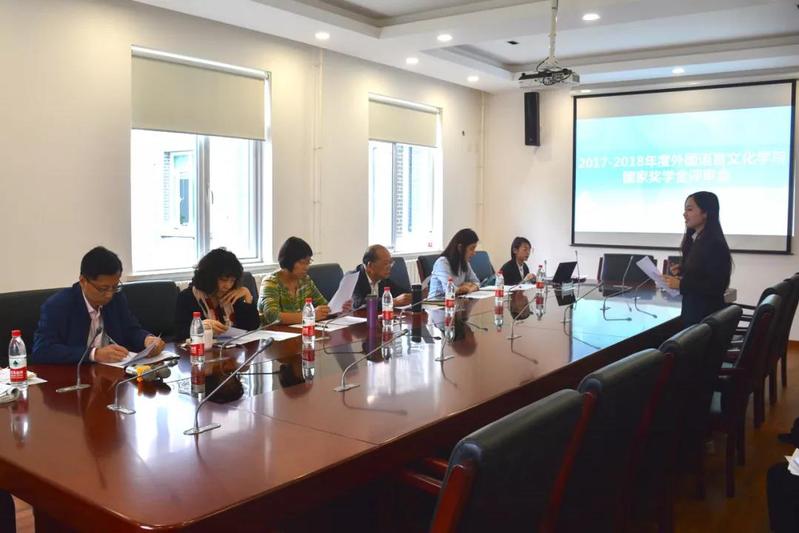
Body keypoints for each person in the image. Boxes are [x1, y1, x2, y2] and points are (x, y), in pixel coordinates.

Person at [32, 246, 165, 364]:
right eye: (103, 289)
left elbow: (131, 330)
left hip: (112, 373)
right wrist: (94, 354)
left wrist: (147, 340)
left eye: (114, 287)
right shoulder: (58, 305)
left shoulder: (117, 297)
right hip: (75, 376)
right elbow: (42, 350)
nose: (109, 295)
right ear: (83, 281)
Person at [664, 191, 732, 325]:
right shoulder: (696, 240)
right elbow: (703, 274)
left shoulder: (714, 244)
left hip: (704, 320)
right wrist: (684, 271)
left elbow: (717, 286)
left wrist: (681, 284)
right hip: (695, 313)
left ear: (705, 213)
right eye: (685, 210)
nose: (684, 214)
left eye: (689, 209)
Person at [174, 248, 260, 341]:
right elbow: (180, 334)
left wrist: (247, 297)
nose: (228, 286)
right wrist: (200, 326)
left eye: (232, 281)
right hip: (204, 347)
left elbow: (251, 327)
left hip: (231, 347)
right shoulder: (187, 297)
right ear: (209, 277)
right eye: (223, 280)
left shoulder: (232, 294)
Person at [258, 237, 330, 325]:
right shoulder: (271, 282)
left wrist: (336, 309)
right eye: (302, 262)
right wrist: (310, 315)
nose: (307, 267)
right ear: (289, 261)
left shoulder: (305, 280)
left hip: (299, 330)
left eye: (308, 262)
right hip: (273, 333)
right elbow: (273, 316)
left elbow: (323, 305)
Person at [351, 244, 412, 310]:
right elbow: (359, 304)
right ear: (370, 265)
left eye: (390, 262)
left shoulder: (382, 279)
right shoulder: (353, 278)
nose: (389, 267)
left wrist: (414, 295)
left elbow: (402, 293)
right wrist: (392, 301)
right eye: (385, 263)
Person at [429, 228, 481, 298]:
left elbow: (477, 282)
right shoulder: (442, 263)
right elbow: (450, 290)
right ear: (460, 248)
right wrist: (466, 286)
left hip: (457, 301)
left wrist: (469, 289)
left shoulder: (464, 262)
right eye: (471, 249)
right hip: (437, 303)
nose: (474, 253)